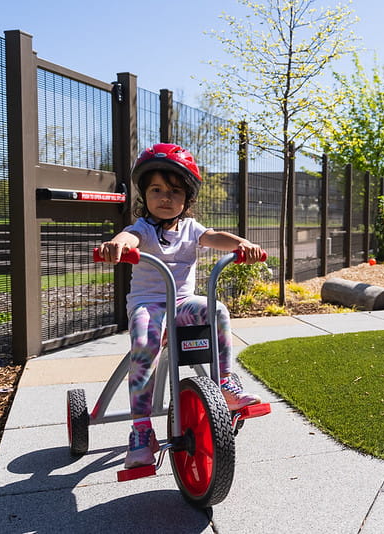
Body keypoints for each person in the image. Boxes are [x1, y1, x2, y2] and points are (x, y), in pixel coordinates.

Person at [98, 143, 264, 469]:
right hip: (149, 305)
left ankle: (226, 383)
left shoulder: (191, 229)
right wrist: (117, 245)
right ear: (143, 195)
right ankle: (141, 430)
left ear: (187, 199)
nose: (165, 197)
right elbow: (128, 238)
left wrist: (242, 244)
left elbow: (214, 236)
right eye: (156, 189)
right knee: (146, 342)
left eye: (175, 191)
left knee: (215, 309)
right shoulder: (142, 229)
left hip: (182, 303)